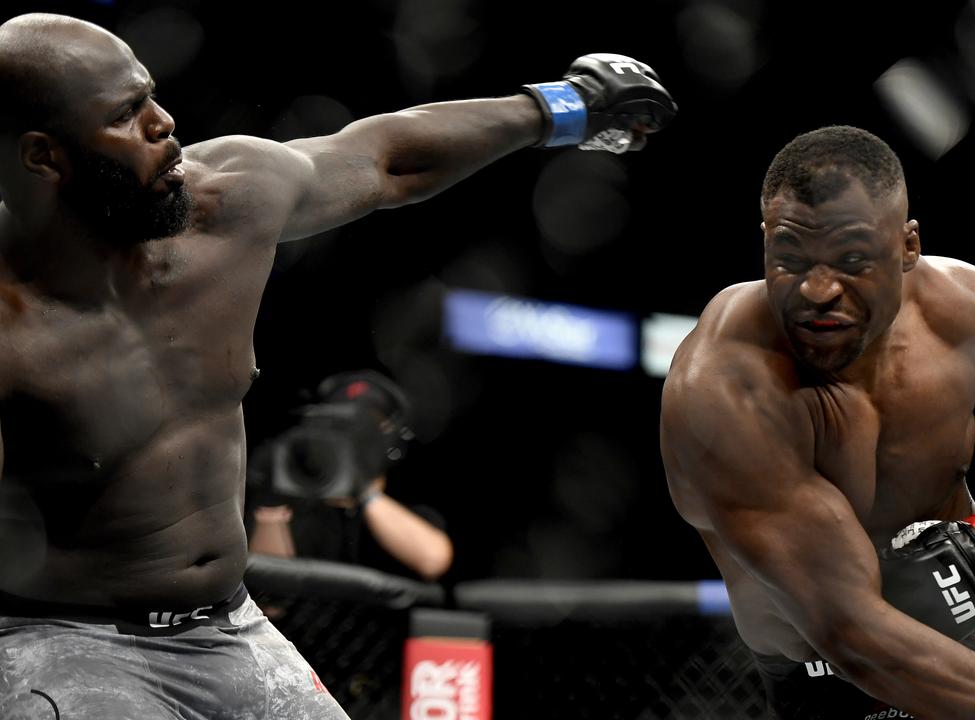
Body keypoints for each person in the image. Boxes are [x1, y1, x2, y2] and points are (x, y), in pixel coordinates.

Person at [0, 12, 674, 720]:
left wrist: (562, 106)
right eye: (124, 115)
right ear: (44, 156)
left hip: (230, 628)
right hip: (65, 639)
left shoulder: (225, 203)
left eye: (150, 96)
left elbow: (388, 159)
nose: (163, 123)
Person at [659, 126, 975, 720]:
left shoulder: (964, 313)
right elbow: (853, 633)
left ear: (907, 247)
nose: (819, 289)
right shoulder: (726, 385)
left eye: (853, 259)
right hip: (832, 672)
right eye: (791, 258)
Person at [246, 370, 454, 582]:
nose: (352, 440)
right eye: (338, 426)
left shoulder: (407, 493)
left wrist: (363, 492)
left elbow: (433, 560)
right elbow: (269, 597)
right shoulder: (300, 494)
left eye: (364, 429)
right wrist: (273, 501)